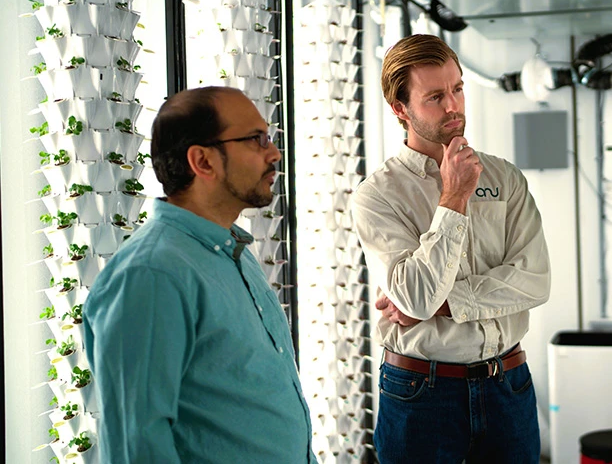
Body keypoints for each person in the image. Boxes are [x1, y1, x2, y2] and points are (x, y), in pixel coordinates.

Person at [84, 86, 317, 463]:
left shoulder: (232, 250)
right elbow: (136, 448)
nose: (274, 153)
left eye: (268, 138)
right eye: (256, 140)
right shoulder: (152, 274)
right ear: (203, 162)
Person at [351, 34, 551, 464]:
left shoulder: (506, 178)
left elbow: (535, 281)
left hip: (508, 383)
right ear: (400, 110)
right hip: (421, 393)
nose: (453, 106)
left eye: (458, 89)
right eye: (435, 97)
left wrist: (444, 304)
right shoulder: (376, 196)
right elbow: (416, 295)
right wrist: (454, 196)